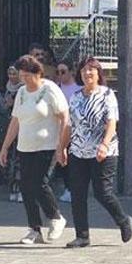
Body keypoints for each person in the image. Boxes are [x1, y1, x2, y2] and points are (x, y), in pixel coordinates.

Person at [62, 57, 132, 247]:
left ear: (98, 73)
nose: (87, 74)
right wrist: (62, 147)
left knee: (103, 192)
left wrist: (104, 144)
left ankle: (123, 220)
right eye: (84, 70)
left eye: (91, 70)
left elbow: (111, 122)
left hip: (104, 152)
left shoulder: (107, 94)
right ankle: (82, 235)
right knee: (77, 193)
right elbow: (70, 125)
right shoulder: (76, 96)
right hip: (78, 151)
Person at [0, 55, 68, 245]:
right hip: (25, 146)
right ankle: (34, 228)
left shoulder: (50, 89)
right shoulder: (21, 92)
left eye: (28, 76)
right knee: (26, 186)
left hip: (46, 146)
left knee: (39, 183)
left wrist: (61, 146)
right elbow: (16, 121)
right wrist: (5, 147)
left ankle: (55, 217)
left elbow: (64, 117)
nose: (24, 80)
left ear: (38, 74)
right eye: (22, 76)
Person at [54, 61, 80, 203]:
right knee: (62, 163)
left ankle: (73, 188)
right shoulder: (55, 89)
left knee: (73, 162)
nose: (60, 75)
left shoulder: (79, 89)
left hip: (75, 130)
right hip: (58, 130)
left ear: (71, 72)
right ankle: (68, 187)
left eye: (63, 71)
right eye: (58, 72)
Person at [0, 65, 23, 203]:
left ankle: (21, 189)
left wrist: (13, 103)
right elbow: (2, 107)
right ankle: (13, 188)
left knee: (20, 161)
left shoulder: (23, 89)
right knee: (10, 161)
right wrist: (7, 105)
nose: (12, 76)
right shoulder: (6, 89)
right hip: (8, 128)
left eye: (15, 73)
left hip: (21, 130)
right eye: (10, 73)